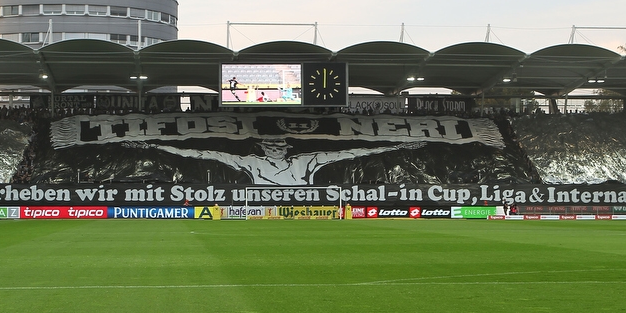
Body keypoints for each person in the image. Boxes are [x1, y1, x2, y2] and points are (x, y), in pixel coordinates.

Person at [130, 137, 422, 186]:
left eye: (280, 145)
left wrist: (398, 146)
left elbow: (354, 153)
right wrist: (153, 146)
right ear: (263, 147)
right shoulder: (250, 162)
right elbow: (201, 154)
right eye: (271, 145)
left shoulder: (309, 160)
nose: (276, 149)